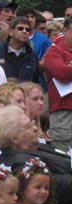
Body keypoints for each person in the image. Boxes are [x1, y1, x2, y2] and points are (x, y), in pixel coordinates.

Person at [0, 105, 72, 204]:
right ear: (14, 138)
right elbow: (58, 186)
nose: (35, 128)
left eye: (32, 123)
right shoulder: (17, 162)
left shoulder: (36, 147)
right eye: (28, 127)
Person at [43, 16, 72, 152]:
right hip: (63, 111)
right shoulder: (54, 51)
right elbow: (62, 73)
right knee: (64, 154)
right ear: (65, 30)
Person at [0, 17, 40, 83]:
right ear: (10, 32)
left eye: (27, 30)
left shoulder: (32, 55)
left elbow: (35, 80)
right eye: (20, 28)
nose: (24, 31)